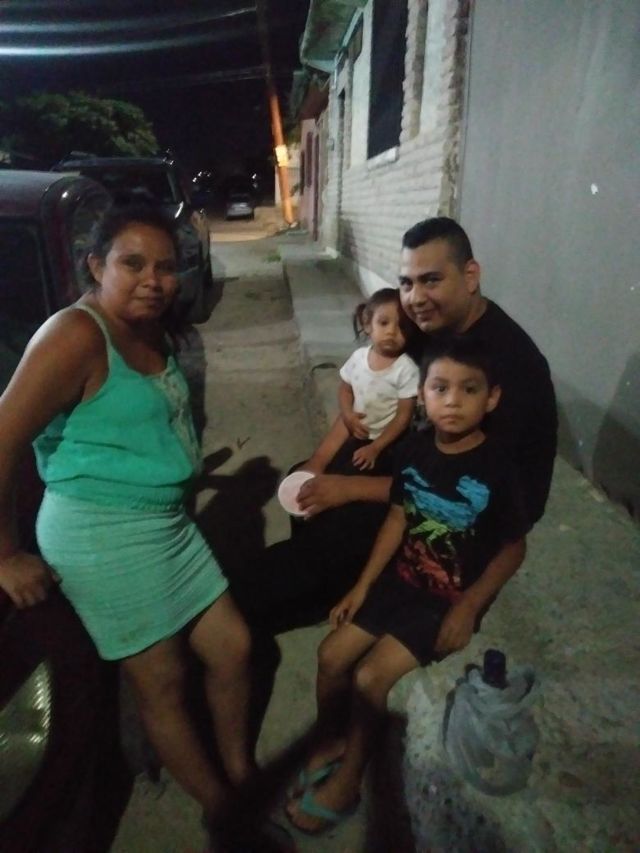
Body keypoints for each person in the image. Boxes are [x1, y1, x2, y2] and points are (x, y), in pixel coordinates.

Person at [0, 204, 252, 839]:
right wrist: (3, 556)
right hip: (102, 534)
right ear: (96, 266)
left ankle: (243, 775)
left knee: (233, 647)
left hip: (166, 528)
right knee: (162, 684)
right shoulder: (75, 335)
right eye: (132, 263)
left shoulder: (149, 328)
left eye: (165, 267)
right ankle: (224, 811)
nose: (153, 280)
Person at [238, 217, 556, 633]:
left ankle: (235, 608)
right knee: (308, 480)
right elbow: (369, 392)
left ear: (470, 276)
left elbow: (476, 490)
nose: (415, 298)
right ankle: (324, 583)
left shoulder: (510, 366)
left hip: (462, 513)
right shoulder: (432, 330)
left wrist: (351, 488)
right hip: (416, 465)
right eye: (406, 283)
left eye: (431, 280)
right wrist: (327, 460)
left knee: (333, 526)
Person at [286, 337, 529, 833]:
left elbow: (513, 548)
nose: (452, 401)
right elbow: (398, 517)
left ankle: (348, 781)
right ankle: (331, 740)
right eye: (440, 388)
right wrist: (362, 586)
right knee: (331, 656)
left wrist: (469, 607)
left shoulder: (499, 468)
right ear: (422, 395)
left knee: (370, 677)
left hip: (446, 599)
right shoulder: (415, 449)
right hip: (401, 579)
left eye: (469, 389)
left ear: (492, 398)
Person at [303, 287, 419, 478]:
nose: (391, 331)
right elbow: (345, 390)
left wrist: (376, 447)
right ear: (367, 324)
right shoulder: (359, 357)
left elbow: (403, 418)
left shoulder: (406, 369)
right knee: (332, 467)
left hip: (385, 443)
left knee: (348, 476)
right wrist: (348, 414)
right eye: (383, 323)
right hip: (356, 432)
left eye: (402, 326)